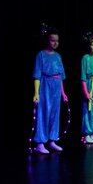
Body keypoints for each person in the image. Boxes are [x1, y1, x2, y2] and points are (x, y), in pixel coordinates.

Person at [32, 25, 68, 154]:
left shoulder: (58, 56)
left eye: (57, 41)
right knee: (43, 113)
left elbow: (61, 76)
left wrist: (63, 93)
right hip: (45, 86)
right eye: (53, 40)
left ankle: (52, 140)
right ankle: (40, 143)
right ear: (47, 40)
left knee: (55, 113)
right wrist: (36, 93)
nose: (55, 43)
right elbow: (37, 76)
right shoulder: (41, 55)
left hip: (56, 87)